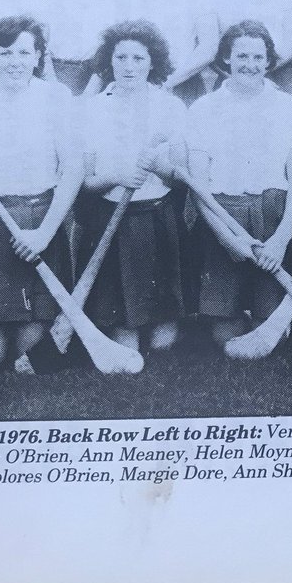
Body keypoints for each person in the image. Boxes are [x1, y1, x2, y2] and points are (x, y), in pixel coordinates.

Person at [0, 16, 82, 371]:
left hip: (40, 221)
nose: (15, 62)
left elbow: (73, 170)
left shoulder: (57, 98)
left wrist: (45, 233)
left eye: (25, 52)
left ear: (38, 57)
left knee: (29, 351)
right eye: (5, 53)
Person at [186, 21, 292, 346]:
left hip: (273, 218)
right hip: (224, 218)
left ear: (269, 61)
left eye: (258, 57)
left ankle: (267, 312)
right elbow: (198, 187)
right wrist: (228, 240)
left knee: (275, 337)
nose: (249, 65)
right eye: (241, 56)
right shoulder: (203, 109)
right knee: (226, 336)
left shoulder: (289, 107)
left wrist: (281, 239)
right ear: (226, 58)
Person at [79, 20, 187, 353]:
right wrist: (118, 176)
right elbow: (87, 181)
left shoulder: (170, 106)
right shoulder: (93, 109)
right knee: (127, 339)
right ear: (108, 62)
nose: (129, 66)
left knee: (162, 343)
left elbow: (180, 174)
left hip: (159, 218)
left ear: (153, 62)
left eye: (138, 59)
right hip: (111, 218)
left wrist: (161, 167)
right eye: (121, 57)